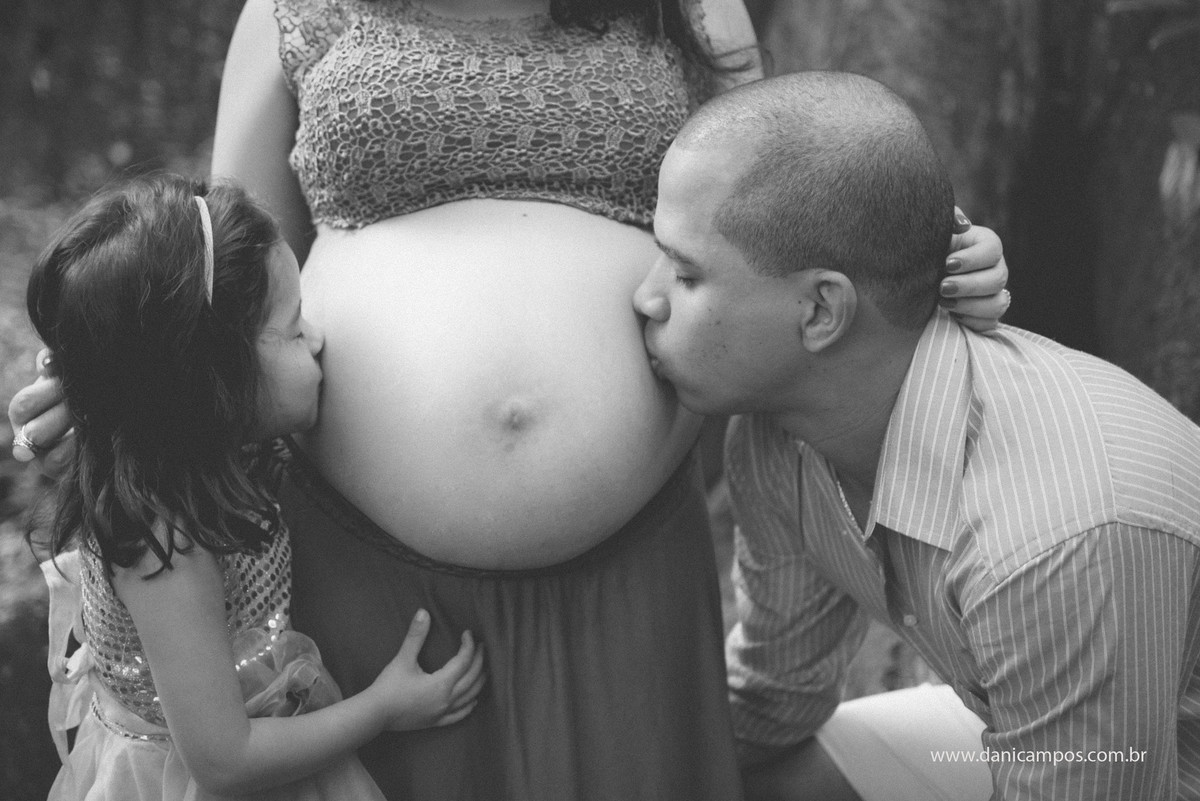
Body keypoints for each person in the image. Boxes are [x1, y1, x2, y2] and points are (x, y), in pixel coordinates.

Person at [9, 2, 1013, 797]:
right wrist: (108, 393)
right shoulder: (294, 11)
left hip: (629, 568)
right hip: (360, 573)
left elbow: (803, 199)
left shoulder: (685, 14)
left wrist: (939, 263)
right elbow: (220, 285)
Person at [633, 70, 1200, 801]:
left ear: (820, 312)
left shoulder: (1049, 539)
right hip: (1050, 732)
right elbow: (776, 697)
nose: (643, 296)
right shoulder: (777, 441)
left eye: (683, 272)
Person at [29, 174, 484, 801]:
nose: (319, 339)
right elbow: (226, 760)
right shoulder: (166, 540)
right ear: (213, 380)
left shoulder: (207, 452)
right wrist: (381, 709)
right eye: (296, 330)